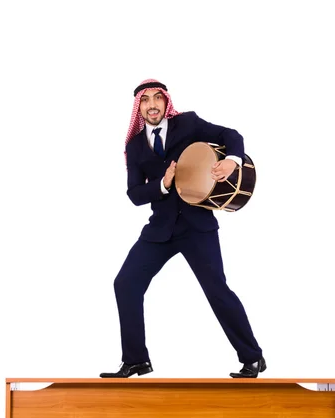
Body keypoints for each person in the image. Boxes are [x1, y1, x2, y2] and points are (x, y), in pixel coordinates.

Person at [100, 79, 266, 379]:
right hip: (159, 231)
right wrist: (162, 185)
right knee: (125, 284)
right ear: (138, 107)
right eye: (145, 100)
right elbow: (135, 194)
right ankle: (136, 360)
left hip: (197, 227)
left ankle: (253, 357)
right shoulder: (135, 146)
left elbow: (231, 134)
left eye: (157, 98)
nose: (152, 104)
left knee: (216, 289)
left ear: (166, 102)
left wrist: (232, 160)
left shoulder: (187, 123)